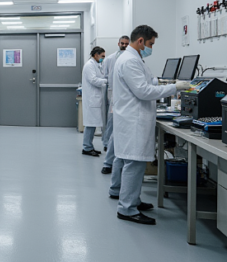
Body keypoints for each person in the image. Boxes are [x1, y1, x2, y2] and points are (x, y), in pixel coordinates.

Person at [109, 25, 191, 225]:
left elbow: (145, 82)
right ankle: (126, 209)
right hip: (133, 120)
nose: (151, 48)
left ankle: (133, 201)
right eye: (151, 44)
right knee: (134, 163)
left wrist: (163, 83)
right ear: (140, 41)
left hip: (133, 118)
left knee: (135, 164)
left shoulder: (133, 58)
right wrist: (173, 88)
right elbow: (143, 91)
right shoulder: (130, 61)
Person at [100, 35, 130, 174]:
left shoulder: (132, 59)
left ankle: (111, 159)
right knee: (111, 122)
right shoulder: (110, 58)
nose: (124, 45)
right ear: (118, 43)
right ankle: (106, 145)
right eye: (122, 43)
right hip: (114, 94)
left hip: (124, 96)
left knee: (116, 127)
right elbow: (105, 75)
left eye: (126, 44)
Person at [81, 46, 107, 157]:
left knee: (92, 124)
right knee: (90, 124)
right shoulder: (89, 65)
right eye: (102, 56)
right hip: (92, 99)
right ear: (96, 55)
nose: (103, 58)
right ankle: (87, 148)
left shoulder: (96, 64)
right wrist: (107, 81)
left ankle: (89, 147)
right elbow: (93, 80)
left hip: (95, 98)